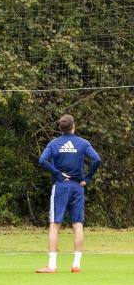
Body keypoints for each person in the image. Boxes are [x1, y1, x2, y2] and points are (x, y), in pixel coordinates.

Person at [36, 114, 101, 273]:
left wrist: (57, 173)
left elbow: (42, 160)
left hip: (60, 186)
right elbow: (96, 159)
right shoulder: (82, 143)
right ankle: (76, 265)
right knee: (77, 224)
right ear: (74, 126)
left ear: (60, 128)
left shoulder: (53, 143)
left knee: (54, 224)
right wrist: (88, 178)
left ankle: (52, 265)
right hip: (77, 187)